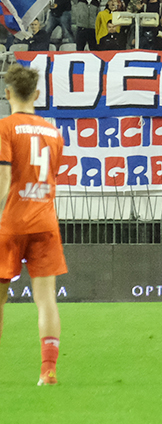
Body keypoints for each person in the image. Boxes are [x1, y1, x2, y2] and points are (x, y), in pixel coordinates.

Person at [0, 60, 67, 386]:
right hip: (44, 220)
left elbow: (3, 178)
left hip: (11, 222)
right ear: (37, 94)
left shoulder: (5, 127)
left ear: (7, 93)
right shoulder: (54, 133)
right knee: (46, 299)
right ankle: (48, 369)